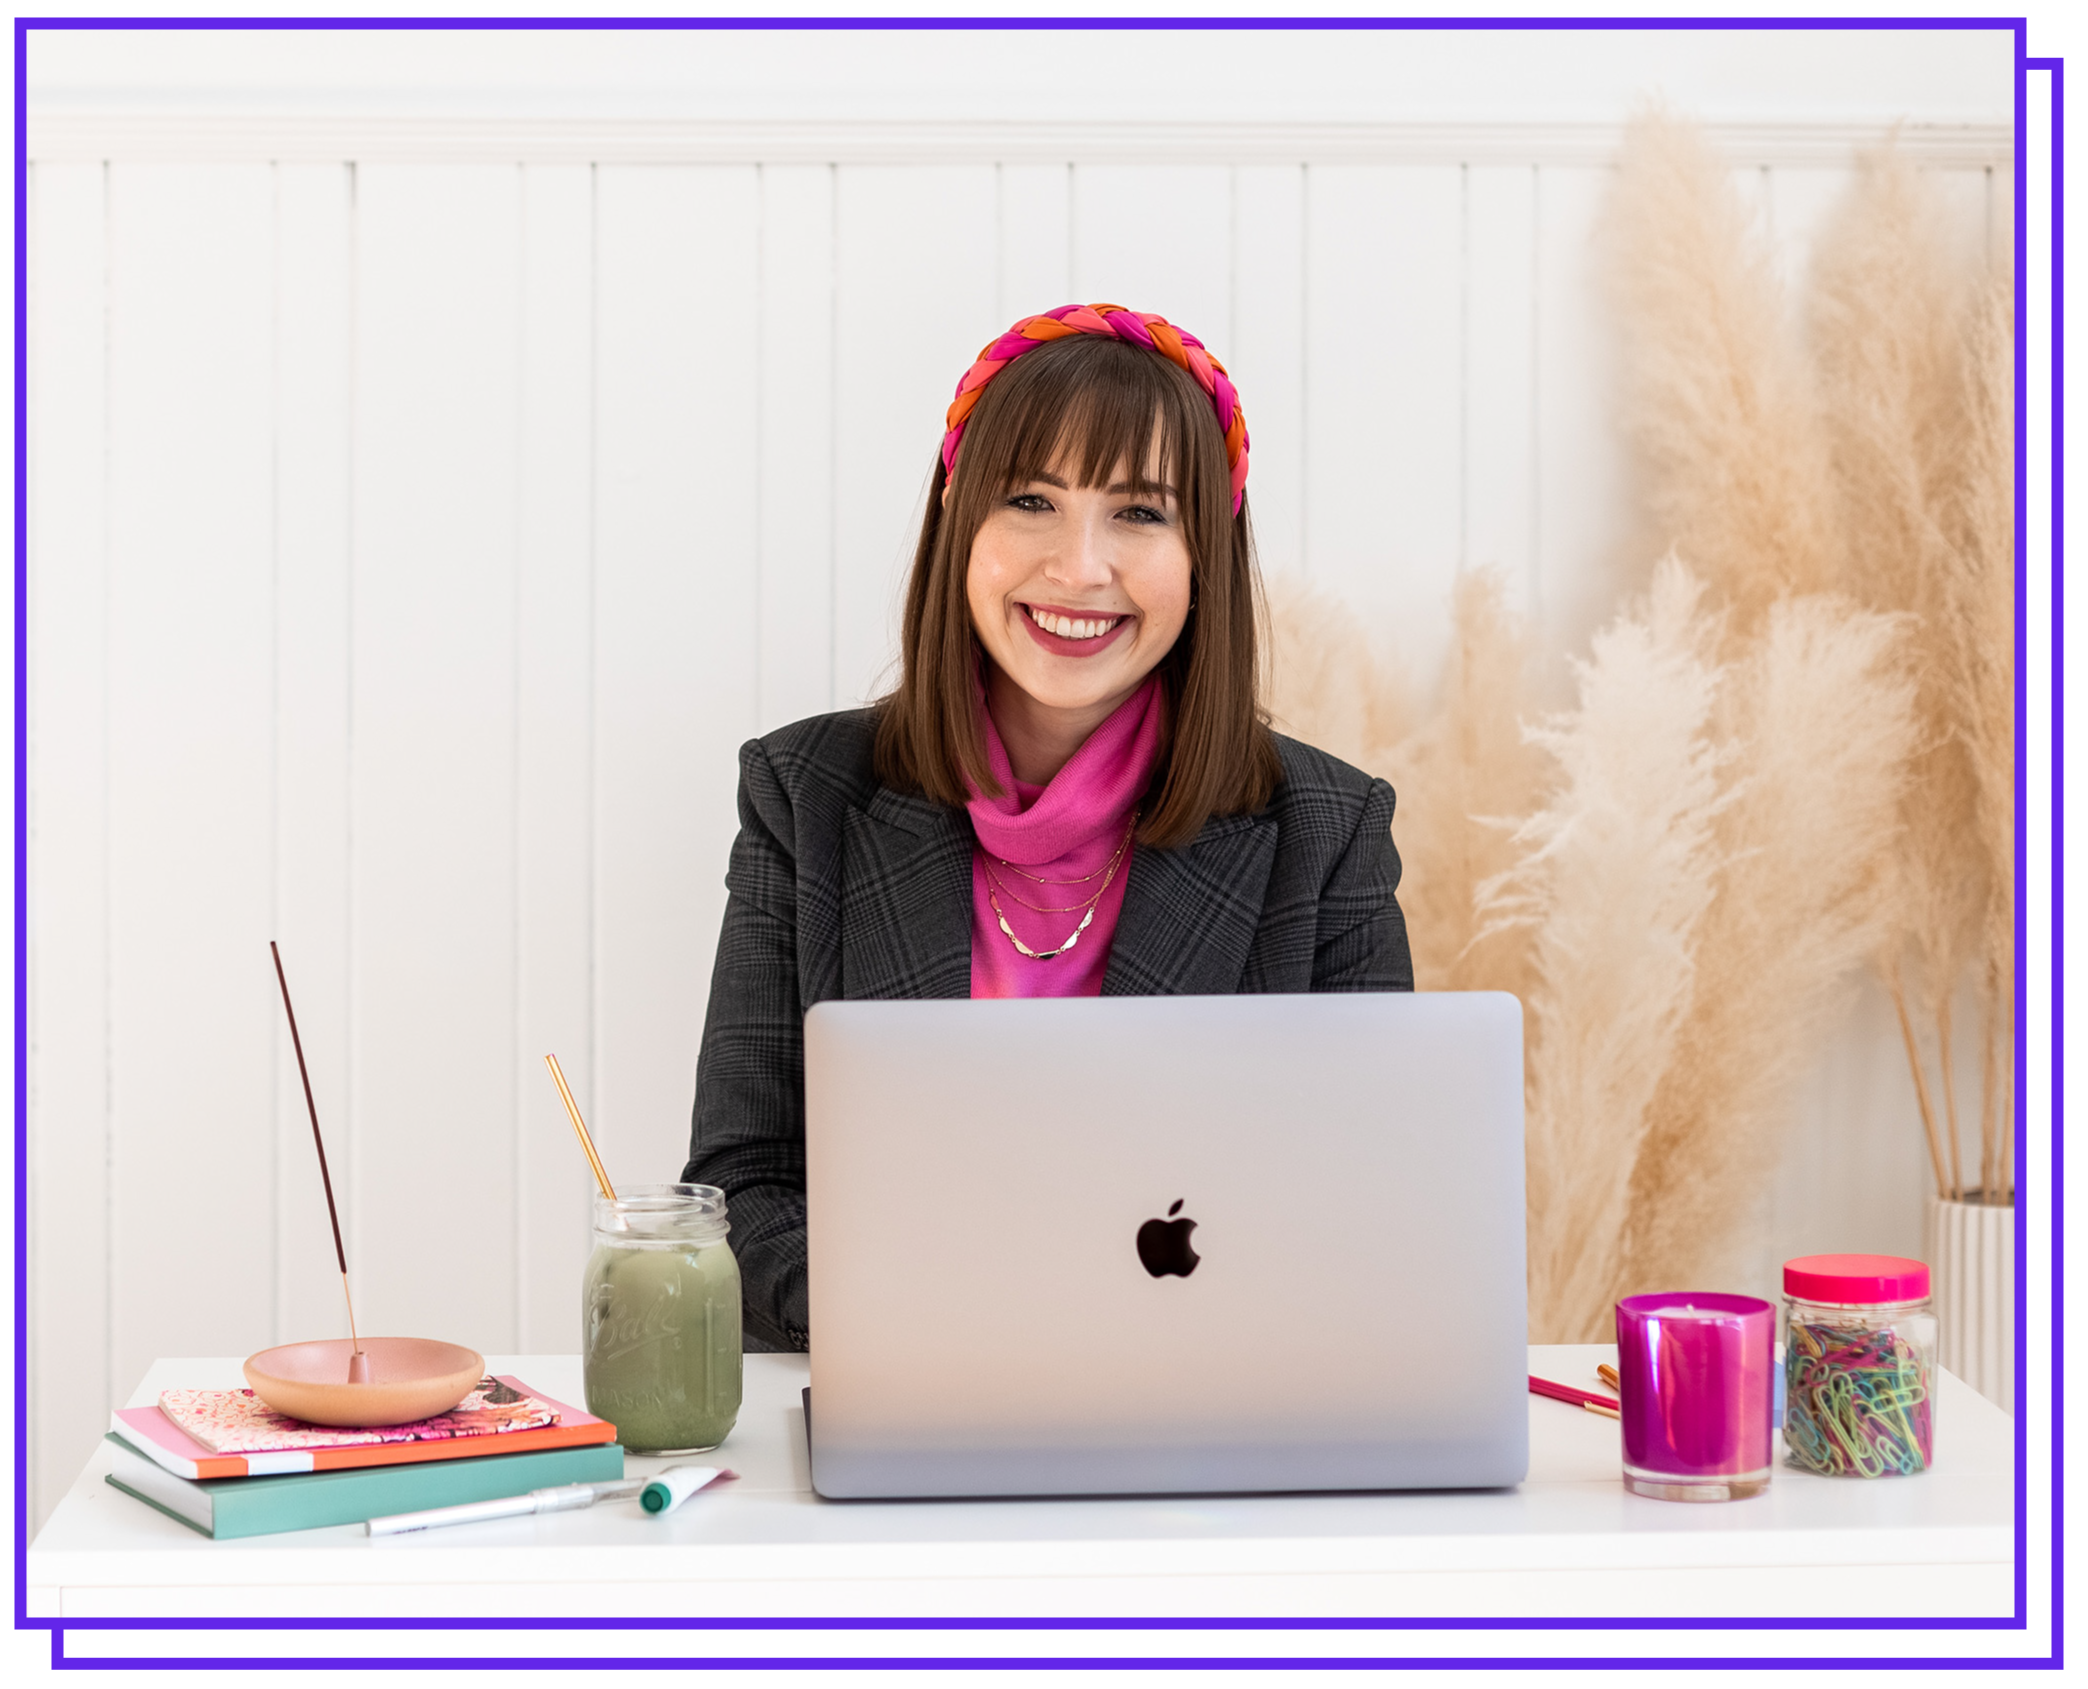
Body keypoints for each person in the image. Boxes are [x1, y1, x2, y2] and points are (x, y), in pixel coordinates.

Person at [683, 304, 1413, 1352]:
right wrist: (941, 1320)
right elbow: (740, 1196)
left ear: (1206, 552)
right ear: (958, 525)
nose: (1078, 568)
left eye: (1141, 513)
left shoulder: (1328, 829)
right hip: (912, 1391)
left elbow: (1374, 1216)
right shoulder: (806, 796)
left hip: (1201, 1413)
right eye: (1031, 500)